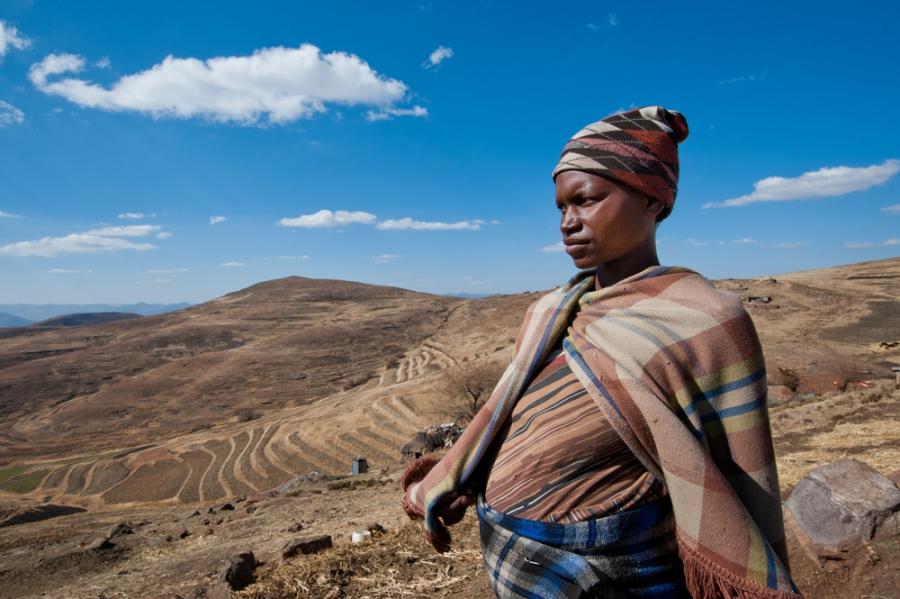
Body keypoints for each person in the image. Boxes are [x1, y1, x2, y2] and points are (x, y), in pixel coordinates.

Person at [402, 106, 800, 598]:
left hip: (625, 568)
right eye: (560, 208)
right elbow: (511, 415)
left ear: (653, 200)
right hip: (517, 559)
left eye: (586, 200)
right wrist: (468, 473)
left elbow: (743, 468)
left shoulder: (706, 321)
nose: (568, 222)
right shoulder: (552, 310)